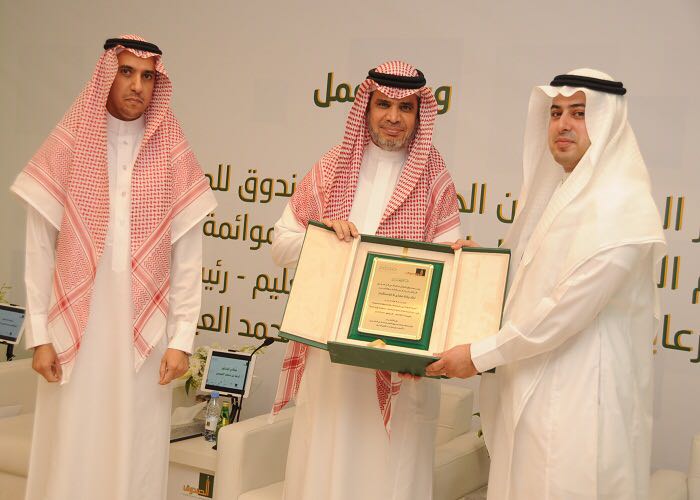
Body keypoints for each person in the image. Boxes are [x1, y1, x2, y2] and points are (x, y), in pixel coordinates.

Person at [426, 69, 666, 499]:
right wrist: (481, 271)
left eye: (579, 113)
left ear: (608, 121)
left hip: (581, 410)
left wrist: (478, 356)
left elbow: (562, 310)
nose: (563, 124)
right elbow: (533, 284)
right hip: (530, 394)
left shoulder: (622, 208)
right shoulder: (562, 193)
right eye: (556, 113)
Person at [11, 35, 216, 500]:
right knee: (70, 444)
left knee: (135, 447)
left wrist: (181, 339)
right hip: (73, 331)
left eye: (147, 76)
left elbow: (188, 257)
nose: (137, 85)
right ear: (107, 74)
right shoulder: (71, 143)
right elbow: (39, 247)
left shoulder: (172, 153)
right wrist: (40, 335)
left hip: (144, 338)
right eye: (126, 72)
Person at [270, 60, 461, 500]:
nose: (393, 117)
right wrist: (324, 238)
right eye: (383, 104)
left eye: (405, 107)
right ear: (366, 106)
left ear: (420, 114)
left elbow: (446, 274)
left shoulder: (435, 179)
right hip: (331, 359)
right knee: (326, 466)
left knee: (388, 475)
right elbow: (281, 245)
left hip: (399, 364)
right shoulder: (331, 167)